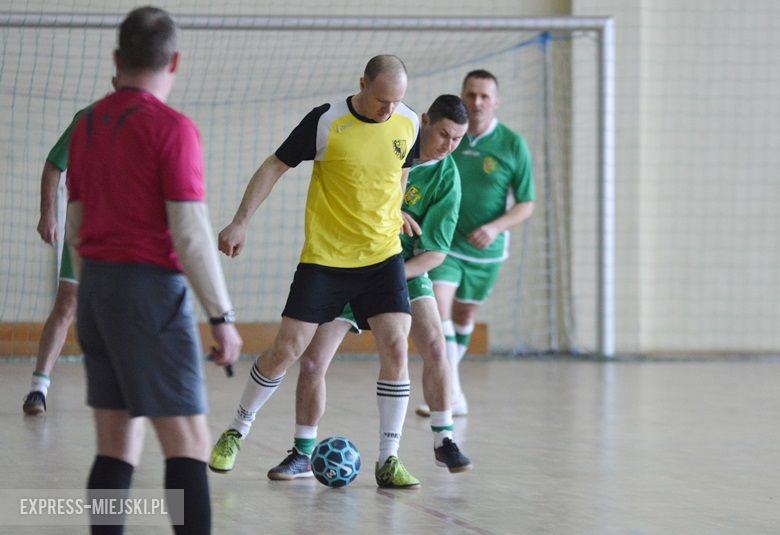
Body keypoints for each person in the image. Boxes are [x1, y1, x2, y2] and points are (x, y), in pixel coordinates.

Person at [208, 55, 422, 489]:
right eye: (382, 100)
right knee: (288, 350)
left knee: (397, 345)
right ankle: (237, 430)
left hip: (382, 257)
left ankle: (388, 459)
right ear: (362, 83)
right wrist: (241, 220)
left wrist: (393, 210)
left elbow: (399, 171)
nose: (388, 111)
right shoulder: (327, 122)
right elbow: (274, 166)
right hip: (327, 259)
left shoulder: (408, 121)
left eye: (396, 102)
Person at [65, 7, 241, 533]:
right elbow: (188, 231)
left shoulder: (87, 125)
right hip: (149, 295)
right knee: (187, 443)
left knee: (116, 444)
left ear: (117, 59)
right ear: (176, 61)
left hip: (94, 287)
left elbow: (75, 223)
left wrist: (99, 280)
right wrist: (222, 316)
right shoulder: (173, 129)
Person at [263, 95, 473, 483]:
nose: (448, 145)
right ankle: (302, 452)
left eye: (458, 139)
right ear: (424, 121)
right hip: (346, 263)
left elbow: (434, 255)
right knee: (312, 360)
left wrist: (391, 276)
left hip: (399, 270)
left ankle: (443, 438)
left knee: (433, 342)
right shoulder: (385, 140)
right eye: (444, 133)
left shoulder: (447, 176)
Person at [418, 70, 535, 418]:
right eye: (471, 95)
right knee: (439, 306)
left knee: (464, 314)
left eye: (485, 96)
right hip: (446, 242)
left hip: (485, 251)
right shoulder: (448, 138)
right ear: (462, 97)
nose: (477, 102)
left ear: (496, 101)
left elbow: (527, 203)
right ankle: (449, 390)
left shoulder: (512, 144)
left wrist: (496, 227)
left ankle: (450, 385)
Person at [23, 77, 117, 416]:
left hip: (125, 233)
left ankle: (123, 387)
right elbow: (54, 165)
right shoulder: (86, 120)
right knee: (67, 303)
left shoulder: (151, 124)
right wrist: (48, 214)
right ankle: (39, 387)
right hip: (84, 228)